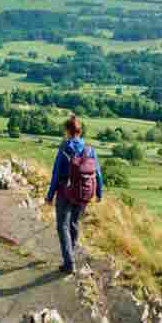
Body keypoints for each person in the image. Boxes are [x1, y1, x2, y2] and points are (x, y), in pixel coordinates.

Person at [43, 114, 103, 274]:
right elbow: (97, 174)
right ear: (80, 132)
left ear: (68, 131)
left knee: (62, 226)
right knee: (74, 224)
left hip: (65, 192)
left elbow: (56, 174)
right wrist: (99, 193)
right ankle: (71, 254)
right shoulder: (90, 150)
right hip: (83, 194)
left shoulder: (65, 149)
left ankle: (69, 263)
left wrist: (50, 196)